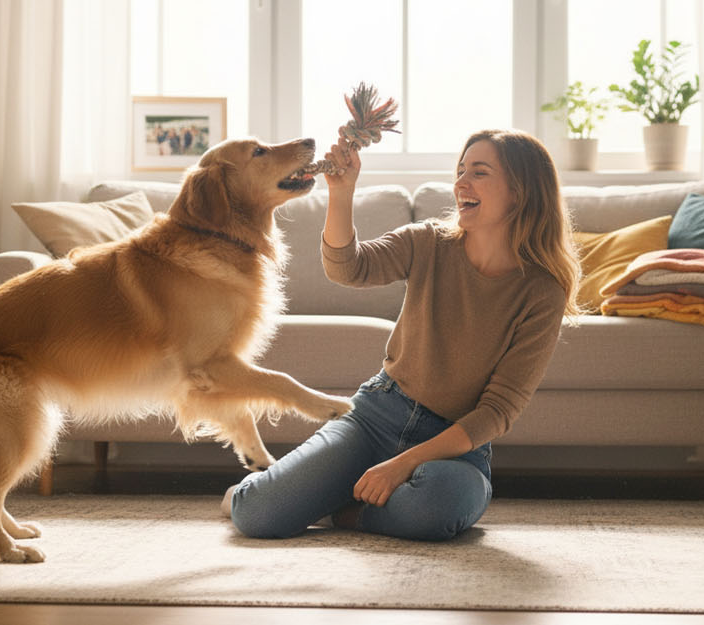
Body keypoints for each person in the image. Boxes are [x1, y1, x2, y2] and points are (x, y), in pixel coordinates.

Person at [226, 129, 581, 541]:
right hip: (375, 417)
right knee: (257, 514)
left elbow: (498, 410)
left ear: (521, 192)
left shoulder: (543, 291)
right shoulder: (429, 241)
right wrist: (342, 192)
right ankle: (304, 492)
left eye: (479, 173)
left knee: (440, 503)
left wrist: (401, 465)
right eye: (461, 171)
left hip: (454, 449)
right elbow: (349, 268)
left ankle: (344, 511)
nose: (461, 183)